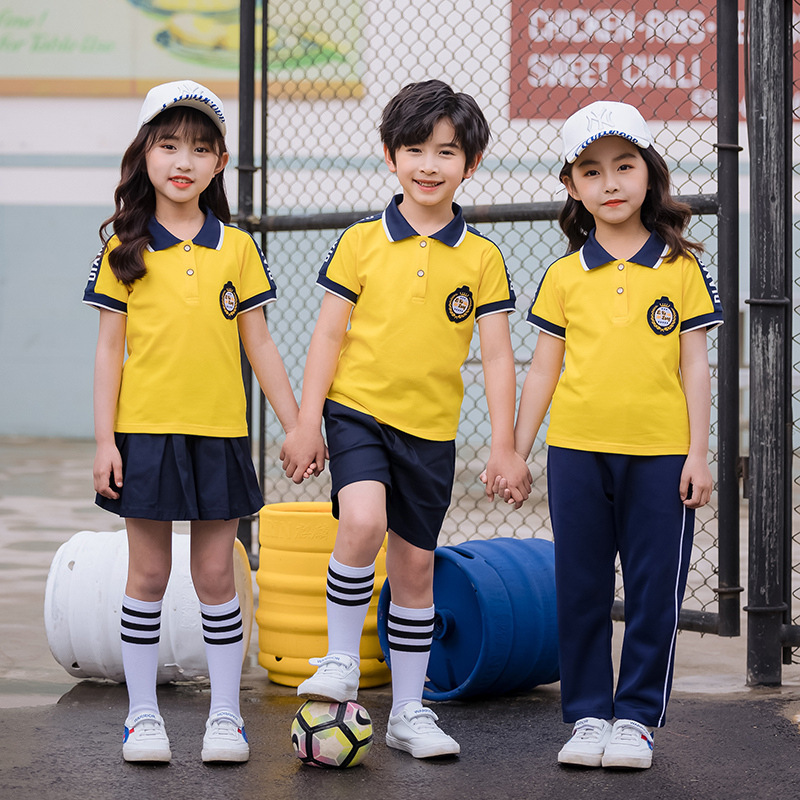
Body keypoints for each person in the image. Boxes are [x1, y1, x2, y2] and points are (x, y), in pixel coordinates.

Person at [280, 79, 532, 759]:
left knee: (416, 569)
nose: (429, 164)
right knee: (361, 522)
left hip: (430, 431)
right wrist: (307, 422)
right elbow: (327, 337)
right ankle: (339, 662)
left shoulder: (481, 257)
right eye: (414, 148)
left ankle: (410, 714)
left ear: (470, 164)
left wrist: (505, 445)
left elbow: (500, 357)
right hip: (357, 412)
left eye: (445, 152)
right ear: (390, 156)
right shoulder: (361, 242)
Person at [82, 80, 322, 764]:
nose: (183, 160)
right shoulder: (123, 248)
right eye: (168, 144)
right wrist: (106, 440)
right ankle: (142, 719)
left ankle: (226, 716)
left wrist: (299, 423)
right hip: (145, 438)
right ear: (144, 156)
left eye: (200, 147)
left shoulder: (237, 249)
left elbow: (262, 344)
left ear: (220, 163)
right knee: (147, 578)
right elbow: (108, 352)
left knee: (217, 576)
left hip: (219, 436)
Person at [513, 100, 723, 770]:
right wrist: (515, 450)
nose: (610, 182)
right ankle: (585, 717)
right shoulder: (564, 275)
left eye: (624, 165)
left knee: (654, 588)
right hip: (577, 452)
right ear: (572, 186)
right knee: (580, 587)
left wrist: (699, 454)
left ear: (650, 174)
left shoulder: (682, 269)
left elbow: (695, 364)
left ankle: (633, 719)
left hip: (662, 456)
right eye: (591, 170)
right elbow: (543, 368)